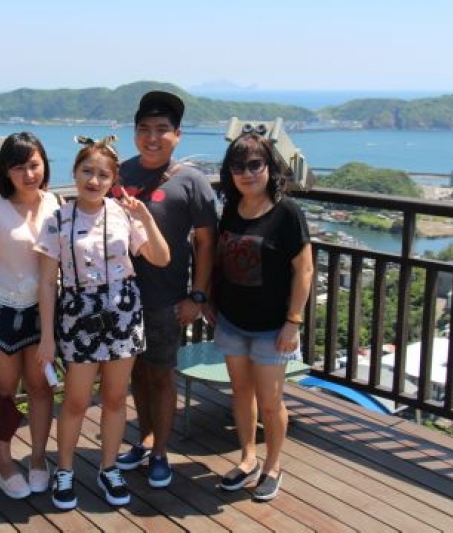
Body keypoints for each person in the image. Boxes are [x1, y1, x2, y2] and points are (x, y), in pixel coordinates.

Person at [35, 136, 170, 510]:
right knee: (76, 400)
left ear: (113, 180)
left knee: (114, 398)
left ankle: (108, 467)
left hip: (123, 311)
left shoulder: (124, 214)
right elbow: (46, 283)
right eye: (87, 171)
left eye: (103, 175)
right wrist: (47, 337)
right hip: (78, 314)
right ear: (75, 172)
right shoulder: (58, 219)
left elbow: (161, 257)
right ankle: (65, 470)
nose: (94, 181)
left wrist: (145, 218)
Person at [115, 91, 218, 488]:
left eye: (162, 129)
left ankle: (161, 452)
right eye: (144, 129)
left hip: (167, 299)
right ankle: (144, 440)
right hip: (122, 298)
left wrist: (197, 295)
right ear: (135, 133)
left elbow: (206, 243)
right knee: (137, 374)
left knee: (161, 375)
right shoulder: (119, 174)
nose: (152, 137)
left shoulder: (192, 181)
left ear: (178, 135)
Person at [208, 132, 313, 501]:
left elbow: (304, 270)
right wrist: (210, 300)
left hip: (273, 327)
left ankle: (273, 465)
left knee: (270, 402)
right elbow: (220, 259)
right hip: (232, 320)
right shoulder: (231, 209)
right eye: (238, 166)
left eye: (255, 164)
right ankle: (248, 457)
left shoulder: (287, 213)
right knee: (240, 392)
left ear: (270, 167)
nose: (247, 172)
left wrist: (293, 321)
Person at [0, 132, 60, 499]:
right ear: (6, 171)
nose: (28, 173)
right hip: (2, 309)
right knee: (4, 393)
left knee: (40, 388)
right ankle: (4, 465)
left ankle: (38, 459)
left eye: (34, 165)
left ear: (44, 165)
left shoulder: (56, 203)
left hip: (43, 313)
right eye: (18, 167)